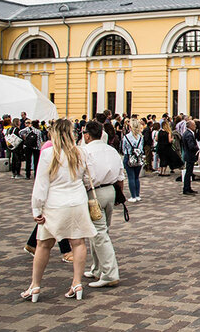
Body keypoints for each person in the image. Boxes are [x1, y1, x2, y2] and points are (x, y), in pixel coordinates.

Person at [22, 119, 97, 302]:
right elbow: (90, 177)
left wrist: (36, 209)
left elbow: (41, 184)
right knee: (78, 243)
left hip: (55, 203)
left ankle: (36, 285)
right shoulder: (81, 152)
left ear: (54, 134)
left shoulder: (49, 153)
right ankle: (77, 282)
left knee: (43, 244)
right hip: (77, 201)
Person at [81, 121, 123, 288]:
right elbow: (120, 175)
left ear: (87, 135)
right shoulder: (111, 150)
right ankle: (97, 268)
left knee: (99, 233)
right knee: (101, 230)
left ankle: (110, 272)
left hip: (93, 193)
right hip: (110, 191)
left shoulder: (85, 151)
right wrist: (121, 195)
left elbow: (82, 176)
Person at [121, 119, 144, 202]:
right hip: (138, 157)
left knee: (131, 177)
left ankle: (133, 196)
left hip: (129, 156)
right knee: (136, 177)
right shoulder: (140, 137)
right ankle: (137, 195)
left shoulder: (126, 137)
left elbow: (124, 148)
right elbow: (141, 148)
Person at [181, 120, 199, 195]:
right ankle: (186, 188)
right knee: (188, 173)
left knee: (189, 172)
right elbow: (191, 146)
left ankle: (188, 187)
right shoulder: (188, 134)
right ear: (190, 126)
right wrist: (197, 148)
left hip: (188, 155)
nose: (195, 126)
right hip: (189, 155)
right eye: (194, 125)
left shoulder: (187, 133)